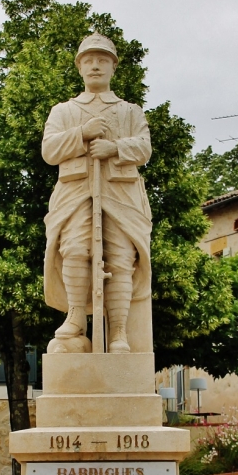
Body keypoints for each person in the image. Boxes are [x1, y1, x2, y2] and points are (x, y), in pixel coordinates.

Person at [42, 33, 152, 354]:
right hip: (75, 193)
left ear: (113, 67)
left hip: (122, 195)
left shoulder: (130, 111)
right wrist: (82, 134)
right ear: (79, 67)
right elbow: (49, 149)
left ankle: (118, 331)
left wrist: (114, 148)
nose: (95, 66)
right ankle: (76, 316)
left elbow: (144, 147)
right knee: (74, 248)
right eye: (88, 60)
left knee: (120, 258)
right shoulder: (63, 111)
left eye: (102, 60)